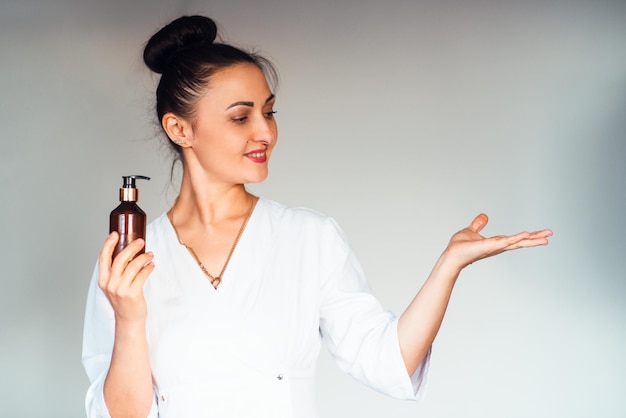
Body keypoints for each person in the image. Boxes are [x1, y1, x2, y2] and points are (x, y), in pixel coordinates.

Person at [82, 15, 552, 418]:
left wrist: (448, 265)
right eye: (241, 117)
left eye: (270, 112)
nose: (266, 131)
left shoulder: (308, 237)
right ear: (179, 128)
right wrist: (128, 316)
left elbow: (387, 363)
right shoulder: (132, 260)